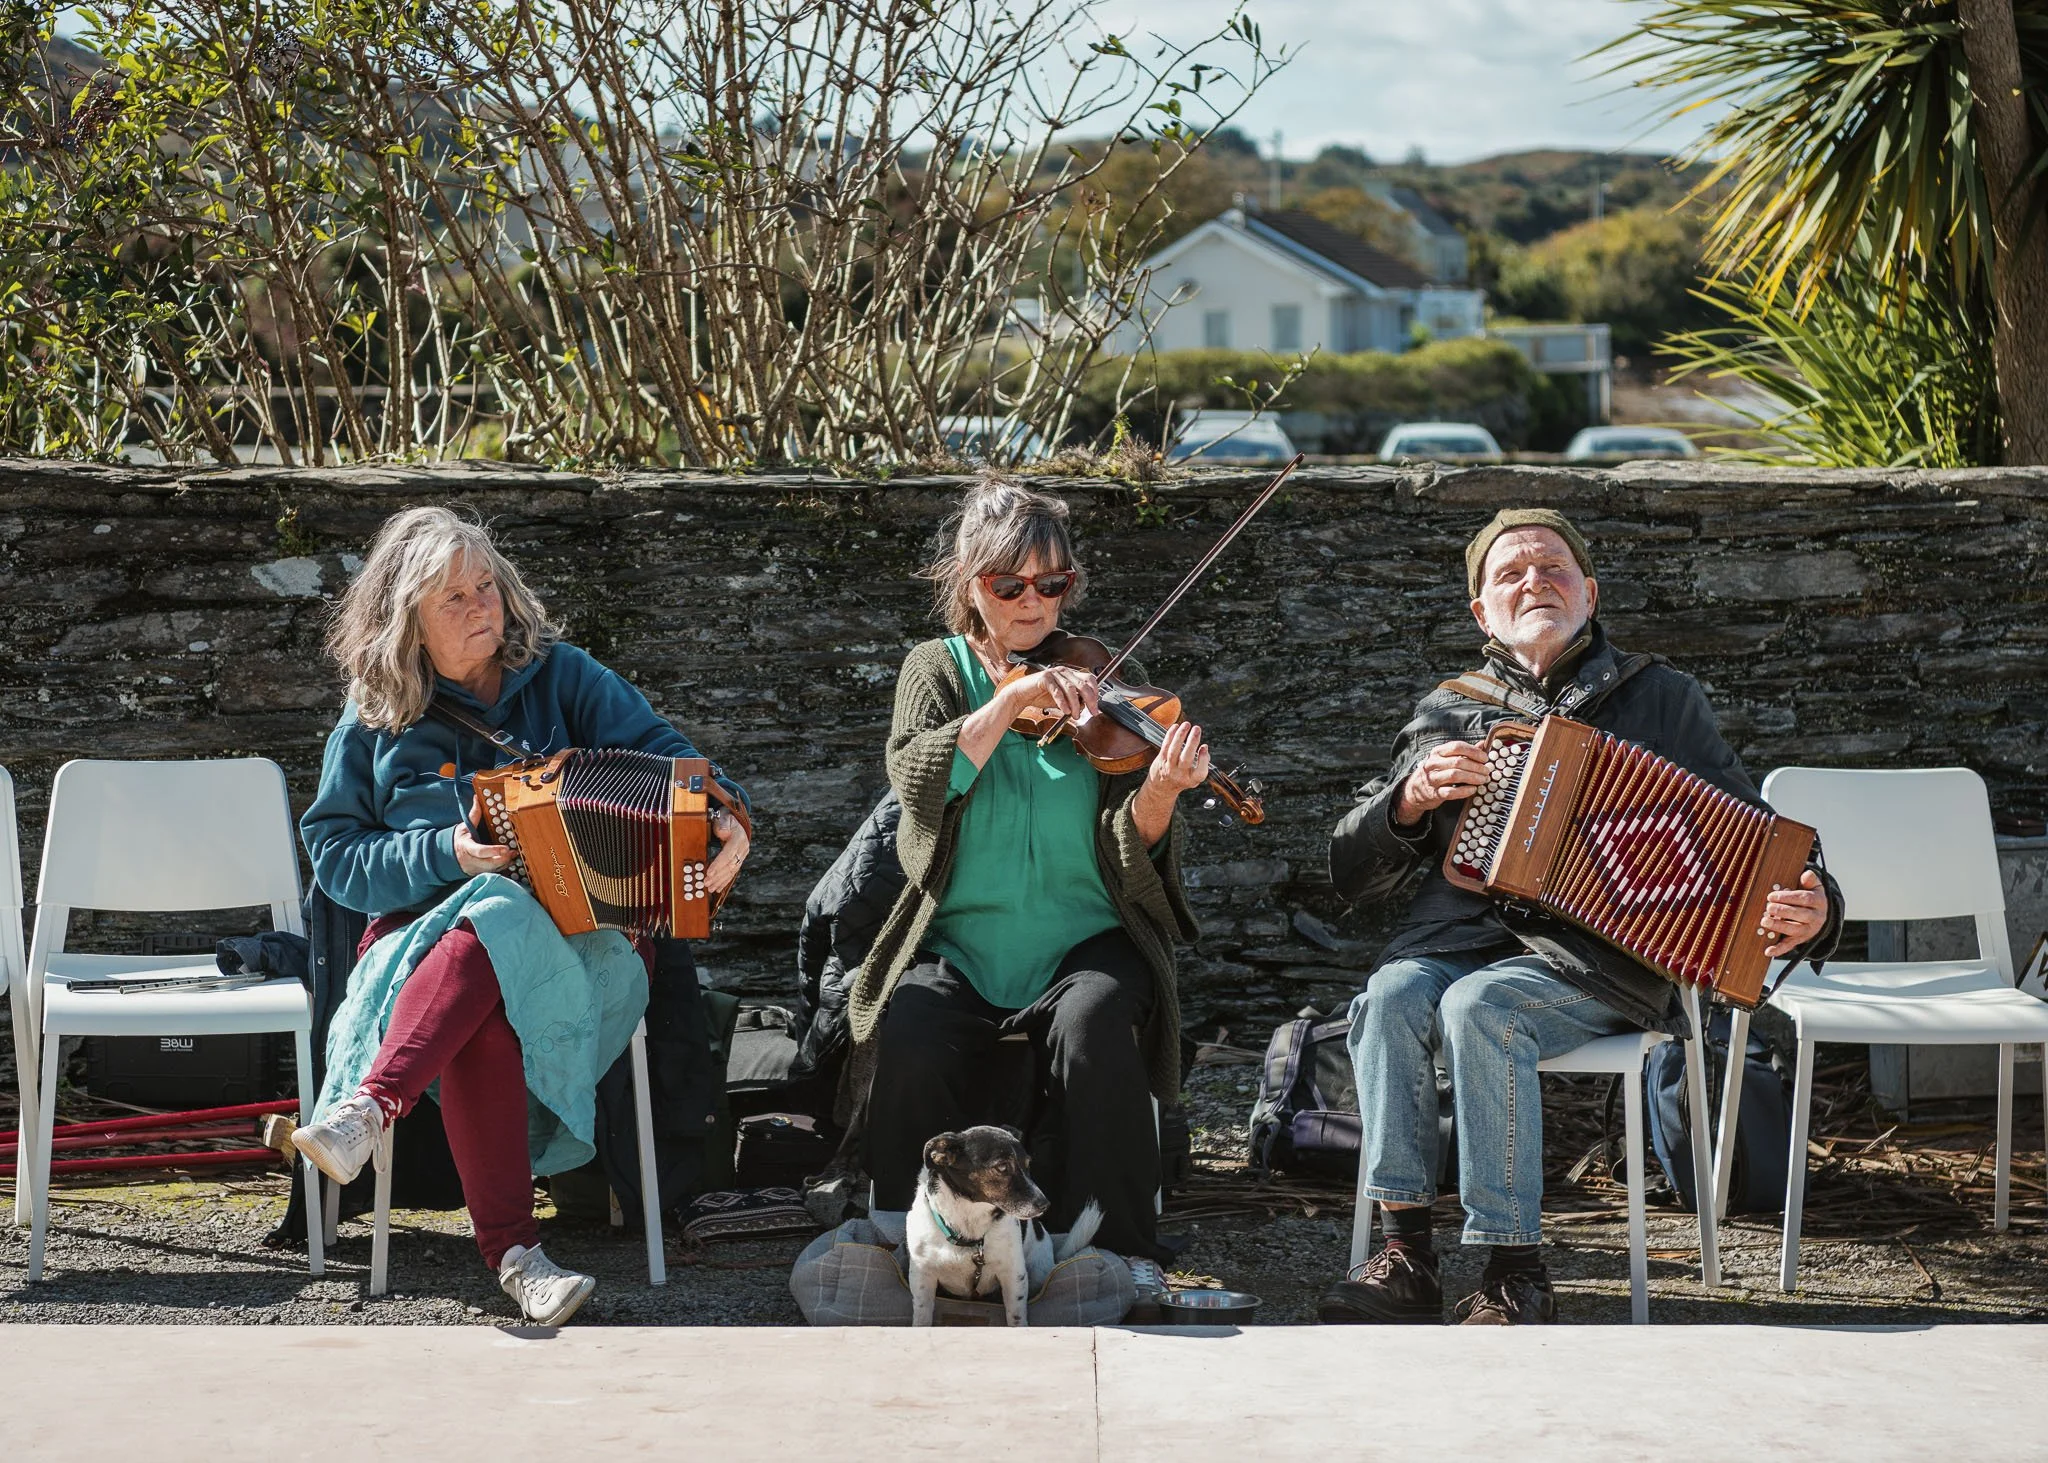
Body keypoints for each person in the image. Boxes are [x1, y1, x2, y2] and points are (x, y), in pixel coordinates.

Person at [1318, 508, 1843, 1326]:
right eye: (1511, 574)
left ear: (1590, 592)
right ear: (1481, 613)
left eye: (1554, 568)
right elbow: (1348, 869)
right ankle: (1405, 1253)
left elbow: (1762, 842)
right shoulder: (1449, 711)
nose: (1535, 581)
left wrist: (1817, 903)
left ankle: (1513, 1273)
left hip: (1596, 959)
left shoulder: (1660, 700)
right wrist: (1408, 799)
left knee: (1480, 1008)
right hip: (1455, 940)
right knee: (1389, 999)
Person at [291, 505, 749, 1325]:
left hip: (590, 947)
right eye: (453, 600)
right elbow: (334, 858)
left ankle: (370, 1106)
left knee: (499, 913)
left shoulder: (565, 676)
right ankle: (518, 1259)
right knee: (490, 951)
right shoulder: (373, 717)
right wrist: (447, 855)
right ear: (408, 625)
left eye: (485, 588)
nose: (482, 610)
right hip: (422, 951)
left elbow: (679, 763)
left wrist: (730, 821)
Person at [850, 478, 1204, 1262]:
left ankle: (1116, 1247)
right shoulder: (935, 671)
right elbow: (918, 783)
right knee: (909, 1022)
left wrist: (1161, 793)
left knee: (1097, 1019)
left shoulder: (1094, 680)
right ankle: (906, 1230)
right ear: (971, 584)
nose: (1033, 603)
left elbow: (1129, 841)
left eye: (1053, 583)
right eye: (1009, 584)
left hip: (1086, 939)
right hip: (964, 943)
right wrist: (1011, 702)